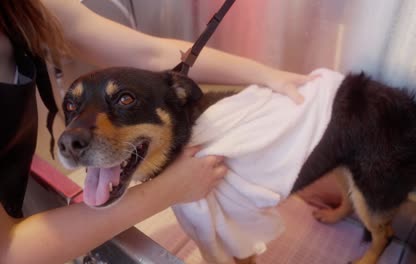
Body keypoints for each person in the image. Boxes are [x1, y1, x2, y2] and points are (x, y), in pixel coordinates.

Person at [0, 0, 311, 263]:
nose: (73, 136)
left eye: (124, 99)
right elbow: (8, 251)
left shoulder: (26, 6)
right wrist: (170, 189)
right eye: (73, 106)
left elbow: (150, 55)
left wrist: (269, 75)